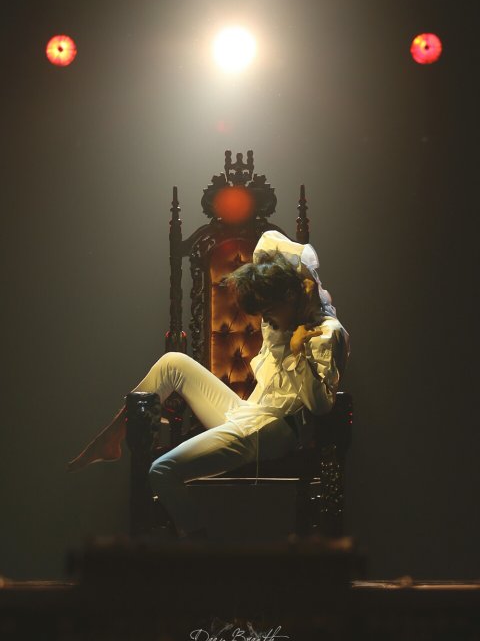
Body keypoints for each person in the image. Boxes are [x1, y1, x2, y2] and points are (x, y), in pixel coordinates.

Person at [66, 230, 350, 541]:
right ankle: (113, 437)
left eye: (269, 313)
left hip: (276, 430)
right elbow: (267, 248)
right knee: (173, 362)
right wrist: (293, 300)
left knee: (161, 471)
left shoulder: (327, 333)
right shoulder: (281, 320)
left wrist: (300, 353)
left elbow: (321, 406)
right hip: (250, 414)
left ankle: (200, 549)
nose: (265, 322)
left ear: (291, 298)